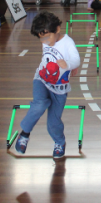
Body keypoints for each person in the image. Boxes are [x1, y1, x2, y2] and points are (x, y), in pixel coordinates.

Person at [15, 11, 81, 159]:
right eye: (41, 39)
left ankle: (60, 142)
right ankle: (24, 134)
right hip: (41, 79)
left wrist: (69, 65)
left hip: (59, 88)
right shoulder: (47, 40)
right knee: (40, 103)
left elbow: (76, 59)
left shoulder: (67, 42)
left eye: (47, 37)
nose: (45, 42)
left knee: (53, 122)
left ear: (57, 29)